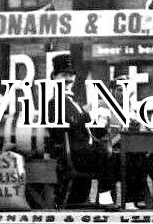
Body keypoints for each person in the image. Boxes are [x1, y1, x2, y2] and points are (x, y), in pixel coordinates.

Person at [46, 53, 119, 205]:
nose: (68, 79)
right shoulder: (54, 103)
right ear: (54, 77)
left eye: (71, 75)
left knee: (127, 158)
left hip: (84, 150)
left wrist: (101, 123)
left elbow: (84, 126)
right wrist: (88, 116)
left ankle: (128, 201)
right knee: (109, 155)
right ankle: (106, 200)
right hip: (73, 153)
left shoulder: (74, 102)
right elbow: (59, 130)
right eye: (64, 74)